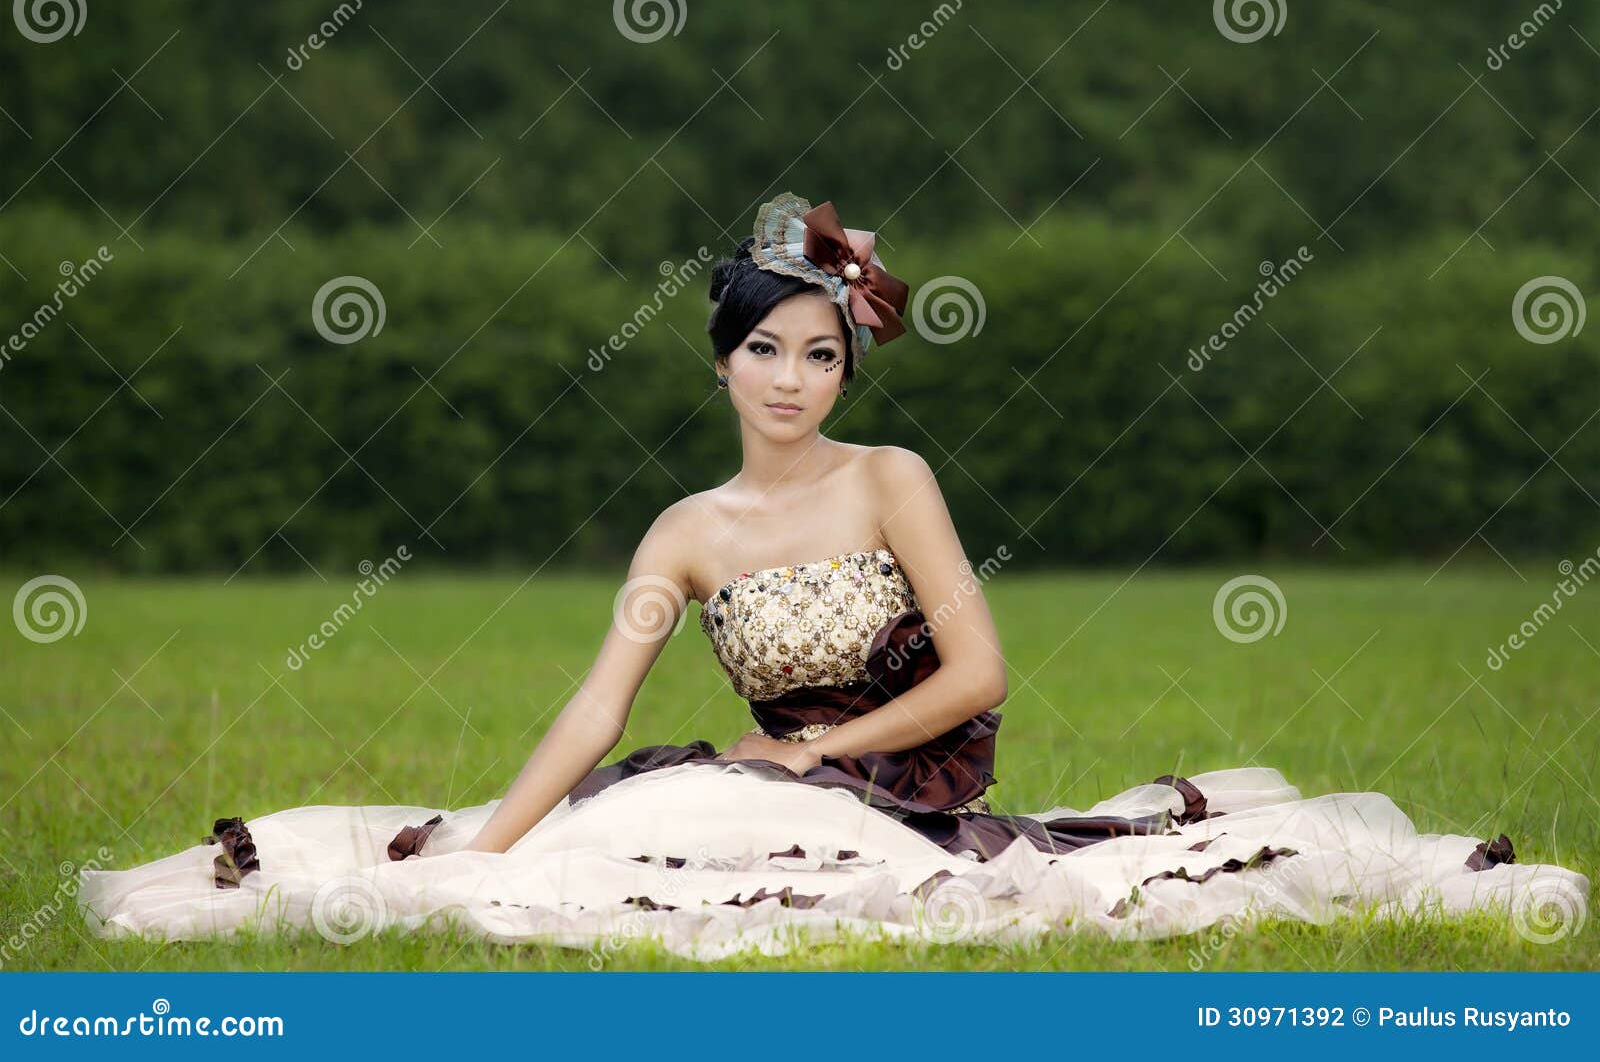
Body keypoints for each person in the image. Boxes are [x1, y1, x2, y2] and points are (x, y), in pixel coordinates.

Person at [77, 194, 1588, 960]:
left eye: (820, 354)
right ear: (722, 359)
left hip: (887, 782)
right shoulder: (682, 528)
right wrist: (489, 836)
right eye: (763, 352)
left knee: (775, 843)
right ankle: (470, 864)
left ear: (846, 362)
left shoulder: (893, 481)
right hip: (746, 769)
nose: (792, 380)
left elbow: (981, 675)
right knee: (591, 839)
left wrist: (813, 748)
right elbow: (594, 707)